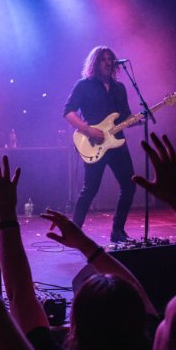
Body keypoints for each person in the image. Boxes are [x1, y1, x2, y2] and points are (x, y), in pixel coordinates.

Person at [62, 46, 136, 242]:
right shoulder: (84, 85)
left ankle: (117, 231)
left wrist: (137, 120)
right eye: (103, 59)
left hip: (117, 143)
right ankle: (74, 233)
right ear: (95, 63)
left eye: (110, 59)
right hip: (94, 142)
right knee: (90, 189)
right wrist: (88, 130)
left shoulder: (119, 88)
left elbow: (125, 115)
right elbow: (68, 112)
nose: (108, 62)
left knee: (129, 186)